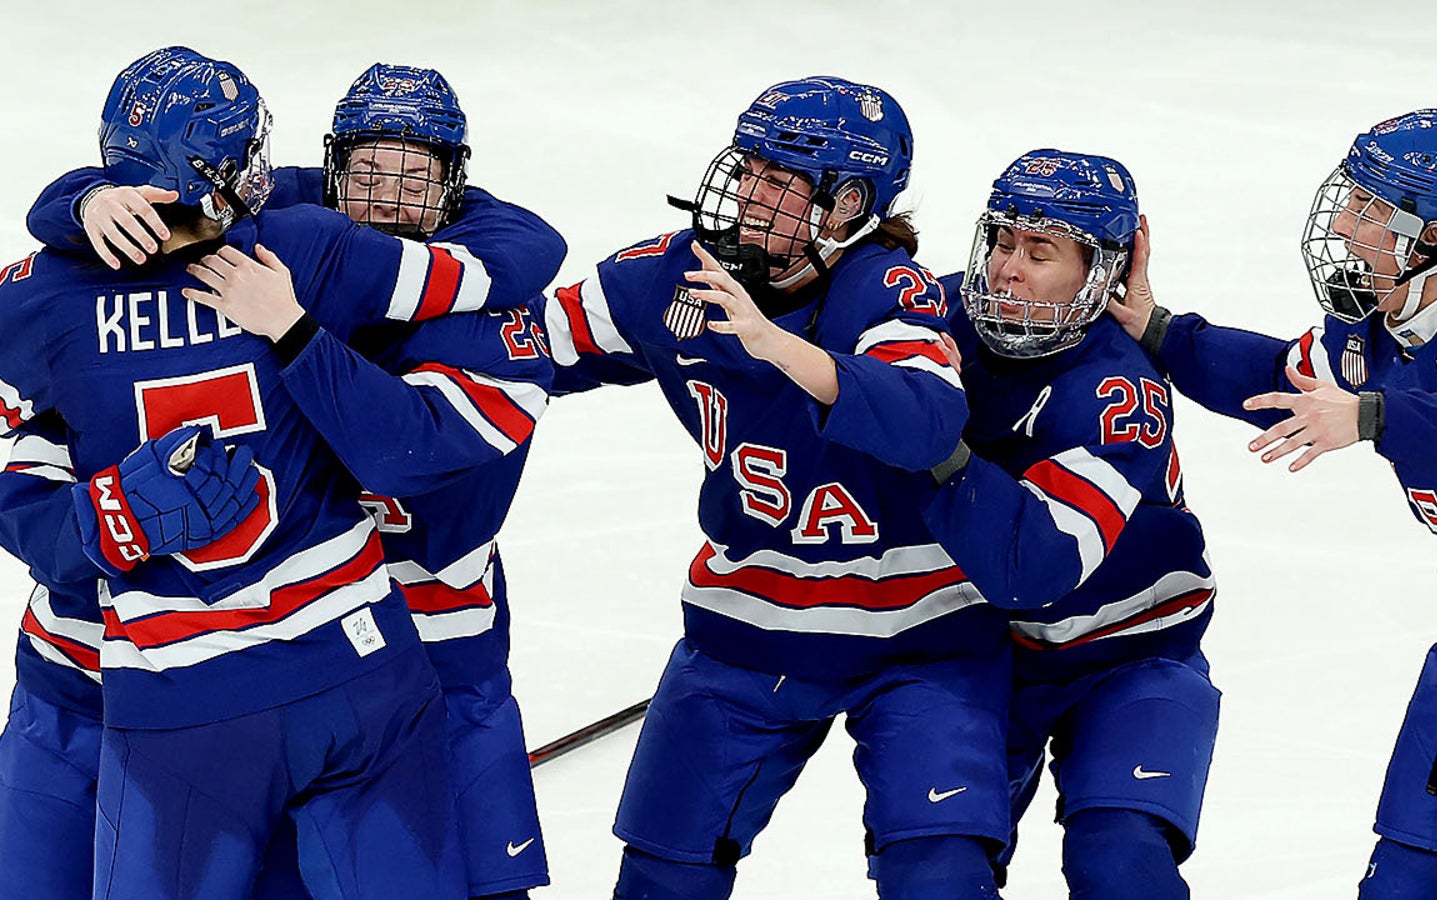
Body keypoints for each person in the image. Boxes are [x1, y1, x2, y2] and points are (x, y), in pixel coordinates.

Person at [0, 46, 550, 900]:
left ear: (456, 182)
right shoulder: (306, 242)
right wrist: (84, 200)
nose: (388, 197)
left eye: (417, 175)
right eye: (367, 170)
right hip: (222, 658)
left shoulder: (48, 294)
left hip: (356, 663)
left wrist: (290, 331)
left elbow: (414, 444)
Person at [533, 75, 1013, 899]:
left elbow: (928, 419)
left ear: (847, 204)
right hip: (746, 628)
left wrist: (776, 345)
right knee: (660, 877)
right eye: (747, 169)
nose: (748, 196)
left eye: (780, 182)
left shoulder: (885, 288)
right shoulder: (668, 277)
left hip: (920, 638)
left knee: (939, 875)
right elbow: (519, 350)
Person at [1110, 108, 1437, 899]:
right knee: (1406, 883)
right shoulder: (1381, 321)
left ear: (1436, 235)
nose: (1343, 221)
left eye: (1372, 210)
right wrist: (1164, 333)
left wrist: (1379, 415)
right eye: (1352, 199)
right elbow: (1281, 373)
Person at [917, 149, 1220, 898]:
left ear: (1100, 274)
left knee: (1121, 864)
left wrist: (923, 431)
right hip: (975, 650)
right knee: (936, 869)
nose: (1006, 269)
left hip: (1131, 655)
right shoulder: (932, 314)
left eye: (1040, 250)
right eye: (1002, 242)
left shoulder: (1120, 390)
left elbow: (1031, 568)